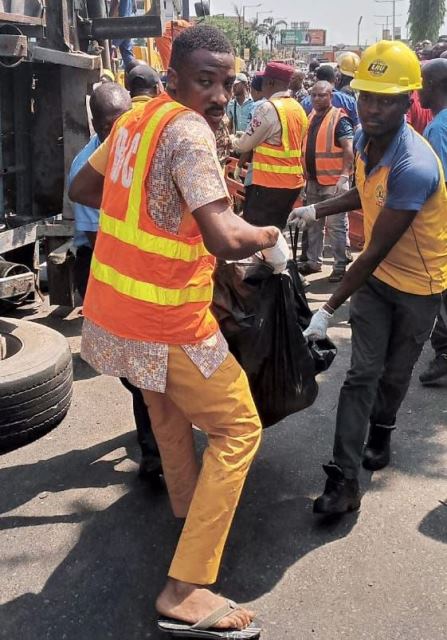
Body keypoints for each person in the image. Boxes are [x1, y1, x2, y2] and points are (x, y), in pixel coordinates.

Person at [69, 24, 289, 638]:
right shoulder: (191, 133)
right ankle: (186, 587)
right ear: (174, 77)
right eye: (205, 81)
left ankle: (192, 524)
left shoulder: (139, 118)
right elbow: (225, 237)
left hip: (116, 314)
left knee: (168, 421)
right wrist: (269, 233)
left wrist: (161, 203)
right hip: (168, 317)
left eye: (228, 82)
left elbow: (84, 186)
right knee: (238, 426)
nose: (220, 95)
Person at [288, 40, 447, 515]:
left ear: (407, 102)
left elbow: (375, 251)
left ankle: (384, 430)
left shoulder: (415, 164)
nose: (374, 108)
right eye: (367, 97)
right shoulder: (362, 140)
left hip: (420, 284)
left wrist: (327, 309)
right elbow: (364, 192)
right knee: (362, 374)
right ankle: (344, 481)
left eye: (387, 99)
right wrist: (317, 209)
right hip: (376, 285)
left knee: (395, 377)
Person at [70, 83, 163, 484]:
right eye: (111, 125)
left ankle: (157, 439)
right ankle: (153, 450)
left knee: (151, 370)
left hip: (143, 272)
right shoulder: (87, 167)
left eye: (126, 121)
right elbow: (105, 244)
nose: (120, 130)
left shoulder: (136, 146)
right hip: (112, 273)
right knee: (139, 372)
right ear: (95, 123)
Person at [233, 62, 308, 229]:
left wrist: (231, 140)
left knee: (257, 233)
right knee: (275, 232)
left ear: (271, 83)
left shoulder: (268, 108)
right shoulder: (298, 108)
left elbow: (245, 145)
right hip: (292, 185)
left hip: (268, 185)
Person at [300, 81, 354, 282]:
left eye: (321, 95)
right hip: (314, 180)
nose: (316, 99)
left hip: (334, 183)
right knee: (313, 223)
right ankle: (314, 262)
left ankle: (339, 265)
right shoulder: (312, 117)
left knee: (336, 226)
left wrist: (344, 176)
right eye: (313, 95)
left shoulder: (339, 119)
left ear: (331, 96)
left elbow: (349, 149)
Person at [418, 58, 447, 384]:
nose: (417, 91)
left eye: (422, 84)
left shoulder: (438, 128)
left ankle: (444, 353)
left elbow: (439, 186)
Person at [301, 65, 360, 130]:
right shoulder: (349, 101)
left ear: (316, 80)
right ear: (335, 79)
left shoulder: (306, 103)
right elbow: (356, 127)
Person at [110, 0, 136, 70]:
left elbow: (116, 2)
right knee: (127, 53)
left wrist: (109, 17)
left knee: (109, 48)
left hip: (121, 25)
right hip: (128, 24)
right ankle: (134, 74)